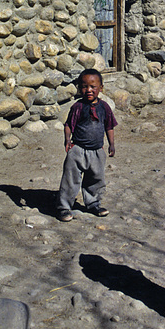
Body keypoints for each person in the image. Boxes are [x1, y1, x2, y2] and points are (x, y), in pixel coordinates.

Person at [56, 69, 116, 222]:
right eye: (84, 86)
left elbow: (109, 126)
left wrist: (112, 144)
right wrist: (67, 140)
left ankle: (93, 203)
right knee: (70, 179)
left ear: (100, 88)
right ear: (79, 88)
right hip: (77, 150)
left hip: (97, 151)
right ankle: (64, 207)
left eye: (93, 87)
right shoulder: (78, 107)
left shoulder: (104, 107)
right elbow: (69, 124)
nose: (88, 90)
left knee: (95, 179)